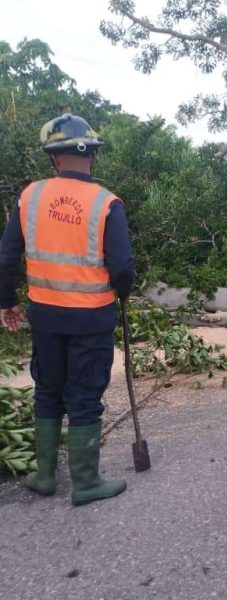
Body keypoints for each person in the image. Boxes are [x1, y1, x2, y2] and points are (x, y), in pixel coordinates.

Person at [0, 113, 135, 505]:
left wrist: (7, 301)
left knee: (48, 390)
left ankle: (44, 476)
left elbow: (6, 257)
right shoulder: (106, 203)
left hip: (44, 315)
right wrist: (122, 292)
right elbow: (122, 267)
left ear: (54, 159)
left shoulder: (31, 196)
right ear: (92, 155)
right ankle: (86, 483)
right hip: (91, 317)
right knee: (84, 395)